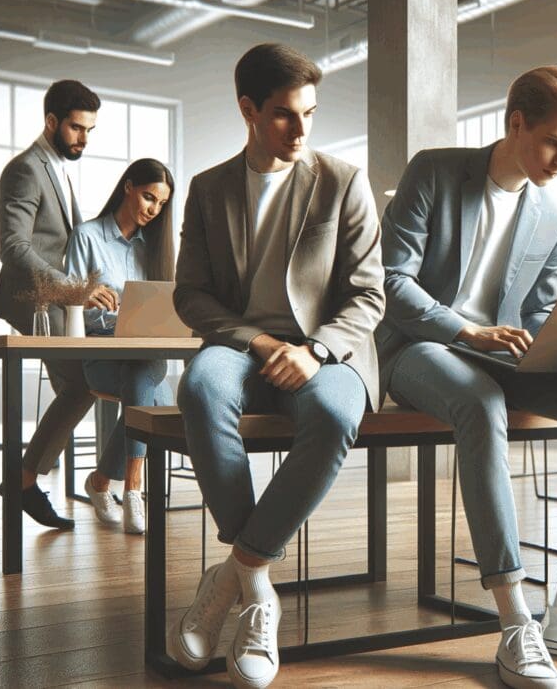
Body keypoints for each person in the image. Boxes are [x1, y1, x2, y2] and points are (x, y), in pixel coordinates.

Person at [378, 66, 557, 689]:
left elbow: (538, 311)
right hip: (420, 346)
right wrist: (465, 330)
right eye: (554, 142)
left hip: (509, 355)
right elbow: (393, 282)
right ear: (516, 124)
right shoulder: (434, 170)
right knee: (480, 404)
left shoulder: (555, 211)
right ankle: (514, 620)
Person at [166, 44, 384, 689]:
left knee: (336, 412)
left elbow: (369, 293)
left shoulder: (344, 181)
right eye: (285, 115)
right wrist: (259, 344)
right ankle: (257, 588)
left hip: (328, 348)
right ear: (248, 110)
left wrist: (314, 350)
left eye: (310, 113)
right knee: (201, 392)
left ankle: (232, 570)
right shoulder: (207, 189)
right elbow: (191, 294)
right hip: (240, 346)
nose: (301, 129)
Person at [0, 79, 101, 530]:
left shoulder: (56, 167)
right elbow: (12, 246)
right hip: (37, 302)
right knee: (82, 385)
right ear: (51, 121)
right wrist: (70, 289)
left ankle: (26, 479)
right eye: (76, 128)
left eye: (90, 130)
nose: (83, 139)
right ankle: (24, 479)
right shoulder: (26, 169)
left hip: (61, 303)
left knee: (85, 384)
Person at [63, 158, 176, 535]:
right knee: (152, 398)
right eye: (148, 198)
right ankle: (128, 490)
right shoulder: (87, 236)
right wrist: (98, 306)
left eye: (160, 205)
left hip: (146, 353)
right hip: (101, 352)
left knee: (143, 373)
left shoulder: (153, 249)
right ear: (128, 187)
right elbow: (74, 308)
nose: (153, 210)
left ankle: (119, 486)